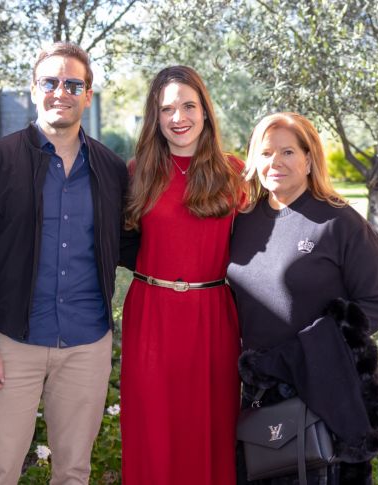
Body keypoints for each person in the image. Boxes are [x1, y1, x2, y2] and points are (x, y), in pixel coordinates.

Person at [0, 42, 135, 485]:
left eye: (73, 84)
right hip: (13, 343)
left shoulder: (110, 170)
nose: (61, 92)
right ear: (34, 89)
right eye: (50, 82)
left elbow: (133, 244)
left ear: (88, 95)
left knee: (73, 470)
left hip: (87, 344)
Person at [226, 112, 378, 485]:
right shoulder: (243, 221)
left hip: (322, 387)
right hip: (260, 391)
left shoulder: (338, 222)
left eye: (288, 151)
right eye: (267, 152)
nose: (276, 162)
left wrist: (315, 349)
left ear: (309, 159)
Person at [119, 65, 245, 485]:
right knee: (152, 428)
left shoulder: (235, 174)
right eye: (167, 108)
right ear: (154, 118)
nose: (179, 117)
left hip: (212, 317)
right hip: (151, 315)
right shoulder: (138, 173)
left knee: (211, 428)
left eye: (188, 105)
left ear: (205, 112)